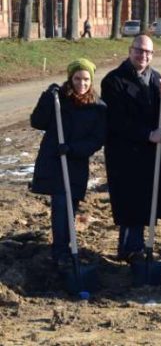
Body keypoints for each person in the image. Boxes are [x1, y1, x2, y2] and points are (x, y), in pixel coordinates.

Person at [101, 34, 161, 261]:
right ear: (130, 50)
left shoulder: (156, 78)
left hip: (150, 151)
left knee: (147, 200)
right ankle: (129, 248)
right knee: (130, 203)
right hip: (125, 151)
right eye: (139, 50)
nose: (143, 55)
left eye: (148, 52)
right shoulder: (113, 80)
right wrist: (147, 135)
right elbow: (116, 121)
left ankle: (136, 247)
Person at [30, 58, 106, 268]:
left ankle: (67, 247)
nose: (82, 83)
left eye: (86, 79)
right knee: (60, 206)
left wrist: (73, 149)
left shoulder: (98, 108)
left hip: (76, 164)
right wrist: (47, 96)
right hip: (55, 162)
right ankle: (61, 251)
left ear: (91, 81)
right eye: (77, 78)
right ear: (70, 79)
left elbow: (97, 139)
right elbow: (37, 122)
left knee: (70, 207)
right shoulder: (58, 101)